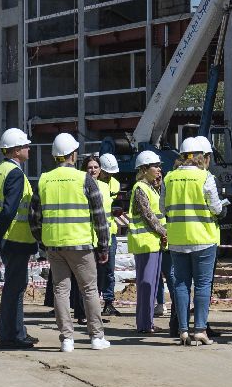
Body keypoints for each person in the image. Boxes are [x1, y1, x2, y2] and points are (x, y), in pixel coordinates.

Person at [33, 133, 112, 351]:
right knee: (89, 290)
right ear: (73, 155)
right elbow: (99, 216)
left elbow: (34, 217)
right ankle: (96, 337)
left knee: (60, 291)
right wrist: (103, 246)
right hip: (81, 244)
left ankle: (67, 339)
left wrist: (43, 241)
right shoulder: (84, 179)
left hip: (54, 244)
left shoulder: (44, 180)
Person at [163, 136, 227, 345]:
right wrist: (223, 208)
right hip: (203, 239)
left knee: (181, 284)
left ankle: (183, 330)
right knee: (202, 285)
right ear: (200, 156)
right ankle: (199, 329)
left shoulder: (169, 178)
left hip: (177, 239)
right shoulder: (205, 177)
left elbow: (163, 208)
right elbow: (216, 208)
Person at [0, 128, 38, 349]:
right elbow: (9, 210)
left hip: (6, 240)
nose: (29, 149)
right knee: (15, 289)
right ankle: (12, 336)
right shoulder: (15, 174)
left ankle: (15, 332)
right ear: (16, 150)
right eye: (25, 146)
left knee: (13, 287)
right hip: (16, 239)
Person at [126, 150, 167, 335]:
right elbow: (148, 215)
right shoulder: (140, 188)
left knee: (152, 284)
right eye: (155, 166)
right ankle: (144, 323)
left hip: (153, 242)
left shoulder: (151, 188)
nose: (159, 169)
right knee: (146, 285)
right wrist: (164, 232)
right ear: (144, 169)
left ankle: (148, 321)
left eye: (159, 166)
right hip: (145, 243)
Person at [96, 152, 125, 316]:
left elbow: (117, 205)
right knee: (94, 272)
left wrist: (117, 210)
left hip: (109, 233)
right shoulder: (91, 182)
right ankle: (92, 303)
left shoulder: (115, 184)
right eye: (107, 173)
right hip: (93, 233)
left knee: (109, 271)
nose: (109, 176)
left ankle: (108, 302)